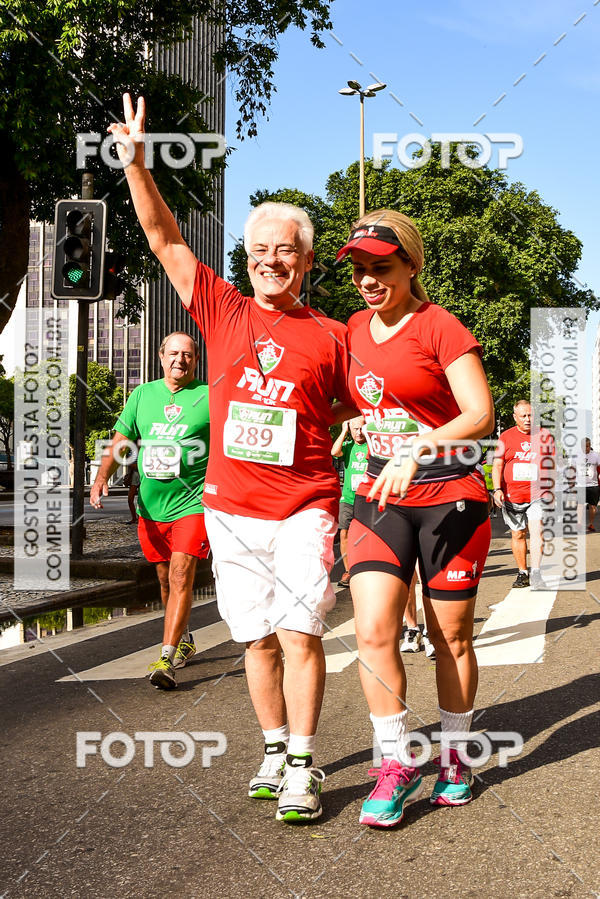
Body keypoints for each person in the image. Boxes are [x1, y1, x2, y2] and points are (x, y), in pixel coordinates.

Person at [108, 94, 355, 823]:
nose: (271, 261)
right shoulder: (222, 308)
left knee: (300, 629)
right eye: (259, 251)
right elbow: (163, 239)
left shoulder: (334, 335)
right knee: (255, 637)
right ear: (246, 261)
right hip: (230, 508)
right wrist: (137, 165)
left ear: (306, 260)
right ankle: (273, 748)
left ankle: (304, 763)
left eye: (285, 250)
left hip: (305, 504)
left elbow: (356, 402)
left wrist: (312, 422)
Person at [337, 210, 494, 827]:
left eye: (381, 267)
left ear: (410, 265)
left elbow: (479, 414)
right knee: (374, 631)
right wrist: (343, 418)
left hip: (450, 496)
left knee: (450, 636)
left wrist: (420, 447)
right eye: (359, 269)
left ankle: (455, 755)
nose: (368, 280)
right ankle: (396, 763)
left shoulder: (439, 326)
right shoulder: (353, 328)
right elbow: (355, 398)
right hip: (379, 497)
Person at [90, 332, 211, 689]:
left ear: (196, 360)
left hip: (193, 503)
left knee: (181, 574)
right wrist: (101, 477)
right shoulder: (142, 395)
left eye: (187, 354)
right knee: (164, 579)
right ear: (161, 357)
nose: (180, 359)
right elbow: (121, 441)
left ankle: (166, 657)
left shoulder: (209, 396)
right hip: (151, 506)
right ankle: (183, 637)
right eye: (173, 353)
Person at [492, 400, 554, 590]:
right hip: (513, 495)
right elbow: (497, 465)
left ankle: (536, 573)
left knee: (537, 531)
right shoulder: (505, 437)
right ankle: (522, 573)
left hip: (538, 494)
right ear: (515, 417)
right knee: (518, 533)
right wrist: (497, 489)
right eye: (523, 416)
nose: (527, 419)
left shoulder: (544, 436)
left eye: (530, 415)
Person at [331, 416, 368, 587]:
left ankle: (366, 567)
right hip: (348, 497)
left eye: (361, 428)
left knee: (367, 534)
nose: (358, 433)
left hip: (367, 498)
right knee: (344, 533)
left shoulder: (371, 446)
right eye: (355, 429)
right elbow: (334, 452)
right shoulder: (348, 446)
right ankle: (348, 571)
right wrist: (344, 431)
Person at [575, 437, 600, 531]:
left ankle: (591, 524)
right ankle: (579, 524)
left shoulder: (596, 455)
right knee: (580, 505)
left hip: (593, 485)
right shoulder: (576, 455)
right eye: (584, 446)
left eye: (588, 446)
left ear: (590, 445)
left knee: (592, 506)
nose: (586, 448)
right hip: (580, 485)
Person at [123, 456, 140, 523]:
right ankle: (134, 518)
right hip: (134, 475)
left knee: (141, 500)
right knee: (130, 499)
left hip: (142, 475)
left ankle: (139, 518)